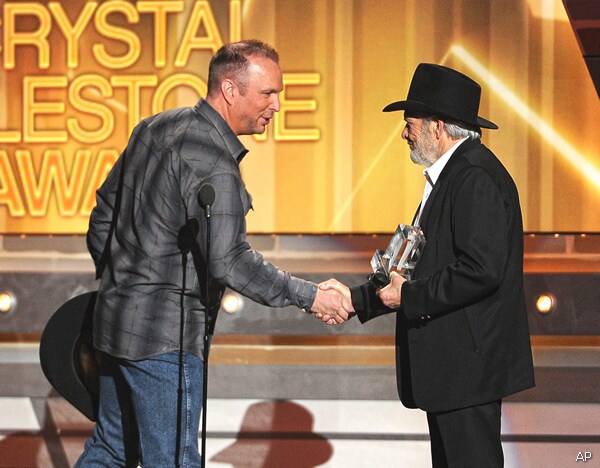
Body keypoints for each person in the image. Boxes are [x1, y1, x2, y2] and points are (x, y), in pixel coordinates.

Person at [79, 40, 352, 467]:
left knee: (111, 449)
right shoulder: (214, 165)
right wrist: (312, 296)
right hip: (164, 342)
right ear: (229, 89)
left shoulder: (152, 128)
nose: (277, 105)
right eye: (268, 94)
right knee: (172, 461)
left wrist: (121, 283)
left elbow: (102, 217)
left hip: (114, 325)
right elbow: (231, 261)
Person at [319, 63, 535, 467]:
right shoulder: (452, 175)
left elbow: (480, 270)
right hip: (453, 372)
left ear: (438, 126)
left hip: (467, 371)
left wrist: (409, 295)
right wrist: (356, 300)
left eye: (410, 123)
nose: (404, 133)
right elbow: (414, 269)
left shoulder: (473, 176)